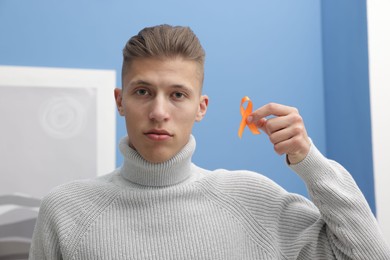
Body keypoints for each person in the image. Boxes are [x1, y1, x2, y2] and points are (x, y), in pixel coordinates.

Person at [29, 24, 390, 260]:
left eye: (177, 95)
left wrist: (308, 159)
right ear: (120, 101)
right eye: (142, 91)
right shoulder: (65, 212)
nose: (158, 112)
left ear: (200, 108)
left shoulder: (253, 200)